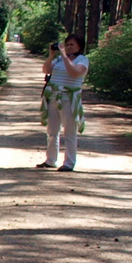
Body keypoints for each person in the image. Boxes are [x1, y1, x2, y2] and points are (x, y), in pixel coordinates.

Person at [38, 34, 88, 172]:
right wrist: (51, 55)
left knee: (69, 131)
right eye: (67, 45)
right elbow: (46, 70)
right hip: (53, 96)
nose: (69, 47)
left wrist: (65, 55)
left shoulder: (82, 60)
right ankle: (50, 160)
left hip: (69, 98)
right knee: (52, 131)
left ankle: (69, 162)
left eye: (72, 45)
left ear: (79, 46)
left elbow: (75, 73)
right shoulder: (59, 59)